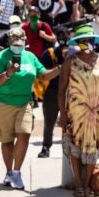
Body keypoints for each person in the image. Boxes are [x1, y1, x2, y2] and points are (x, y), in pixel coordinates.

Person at [0, 28, 60, 189]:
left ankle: (16, 172)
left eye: (20, 42)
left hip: (25, 102)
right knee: (7, 140)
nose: (18, 46)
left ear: (25, 41)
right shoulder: (0, 57)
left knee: (24, 134)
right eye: (15, 43)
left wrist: (59, 69)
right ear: (9, 42)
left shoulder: (30, 57)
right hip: (3, 103)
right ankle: (8, 172)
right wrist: (8, 73)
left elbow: (42, 75)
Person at [58, 24, 99, 197]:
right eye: (82, 41)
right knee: (75, 146)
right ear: (77, 43)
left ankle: (88, 182)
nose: (86, 43)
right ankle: (79, 184)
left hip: (97, 113)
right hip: (76, 112)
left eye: (89, 40)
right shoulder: (70, 62)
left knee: (92, 148)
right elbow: (61, 90)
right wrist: (63, 114)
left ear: (94, 42)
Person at [38, 29, 70, 158]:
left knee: (69, 122)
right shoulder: (49, 54)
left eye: (67, 45)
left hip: (69, 92)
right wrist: (60, 67)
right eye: (62, 45)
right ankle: (46, 147)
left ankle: (69, 149)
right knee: (49, 122)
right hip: (51, 92)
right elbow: (41, 74)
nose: (65, 48)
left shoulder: (75, 55)